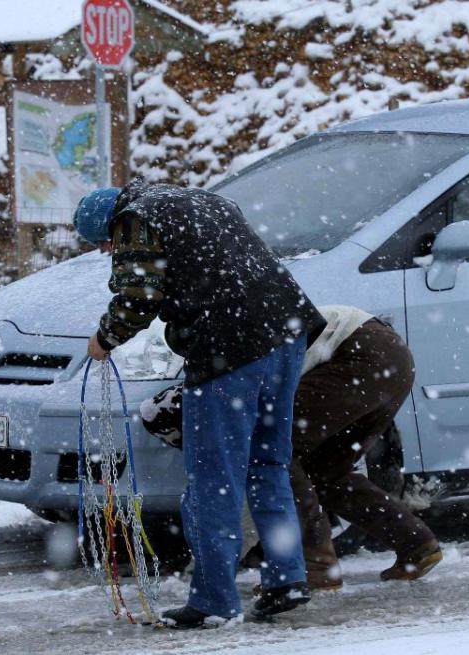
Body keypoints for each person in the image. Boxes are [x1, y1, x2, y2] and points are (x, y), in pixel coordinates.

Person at [74, 178, 325, 629]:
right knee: (268, 463)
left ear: (111, 226)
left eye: (105, 243)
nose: (106, 251)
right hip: (287, 331)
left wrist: (104, 339)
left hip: (228, 346)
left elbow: (139, 296)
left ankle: (215, 601)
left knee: (214, 477)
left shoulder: (137, 218)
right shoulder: (199, 199)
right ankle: (287, 577)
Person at [141, 305, 442, 591]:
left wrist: (219, 561)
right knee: (326, 470)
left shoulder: (243, 350)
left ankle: (315, 564)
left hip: (358, 355)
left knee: (273, 453)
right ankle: (415, 544)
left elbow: (255, 448)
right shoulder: (243, 332)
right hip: (391, 359)